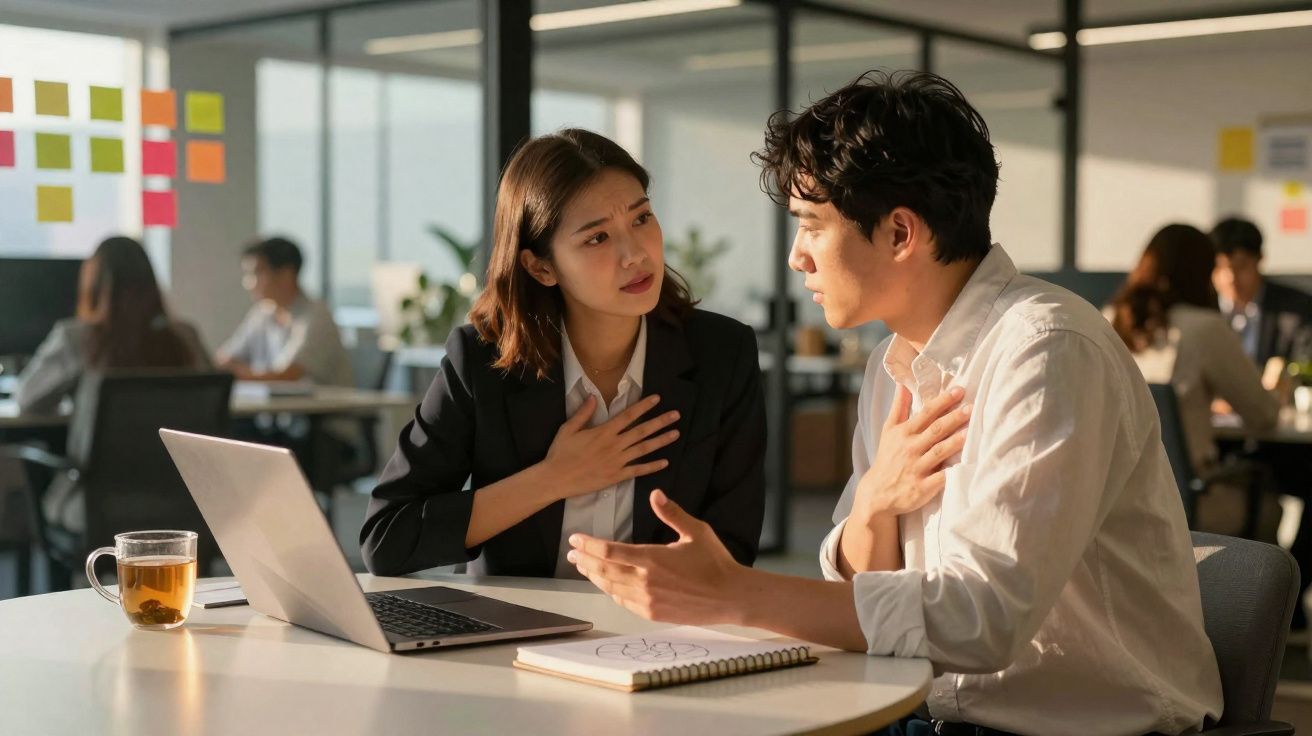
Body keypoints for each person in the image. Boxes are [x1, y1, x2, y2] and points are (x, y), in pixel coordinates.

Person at [565, 71, 1222, 735]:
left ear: (901, 233)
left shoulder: (1047, 348)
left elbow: (984, 618)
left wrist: (734, 593)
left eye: (812, 227)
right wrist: (876, 502)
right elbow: (852, 581)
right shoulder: (895, 361)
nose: (797, 259)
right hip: (921, 711)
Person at [360, 128, 766, 579]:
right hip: (512, 635)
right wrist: (553, 478)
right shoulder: (482, 362)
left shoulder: (722, 354)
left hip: (658, 634)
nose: (635, 254)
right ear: (541, 266)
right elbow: (386, 539)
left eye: (641, 219)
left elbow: (734, 551)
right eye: (597, 238)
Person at [14, 236, 211, 529]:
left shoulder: (76, 338)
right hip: (183, 501)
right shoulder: (185, 337)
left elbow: (28, 400)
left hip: (98, 504)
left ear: (93, 284)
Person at [1108, 223, 1278, 535]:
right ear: (1204, 271)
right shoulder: (1203, 328)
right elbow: (1264, 414)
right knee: (1271, 506)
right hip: (1188, 499)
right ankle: (1252, 584)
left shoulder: (1109, 320)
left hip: (1116, 503)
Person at [216, 236, 352, 387]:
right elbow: (228, 358)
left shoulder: (316, 316)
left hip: (322, 408)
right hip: (277, 408)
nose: (248, 283)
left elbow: (288, 374)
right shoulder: (263, 313)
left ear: (286, 274)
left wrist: (231, 374)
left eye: (257, 273)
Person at [1211, 216, 1312, 370]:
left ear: (1260, 260)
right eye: (1221, 267)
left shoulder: (1296, 308)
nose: (1231, 278)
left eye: (1242, 266)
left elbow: (1303, 363)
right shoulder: (1201, 307)